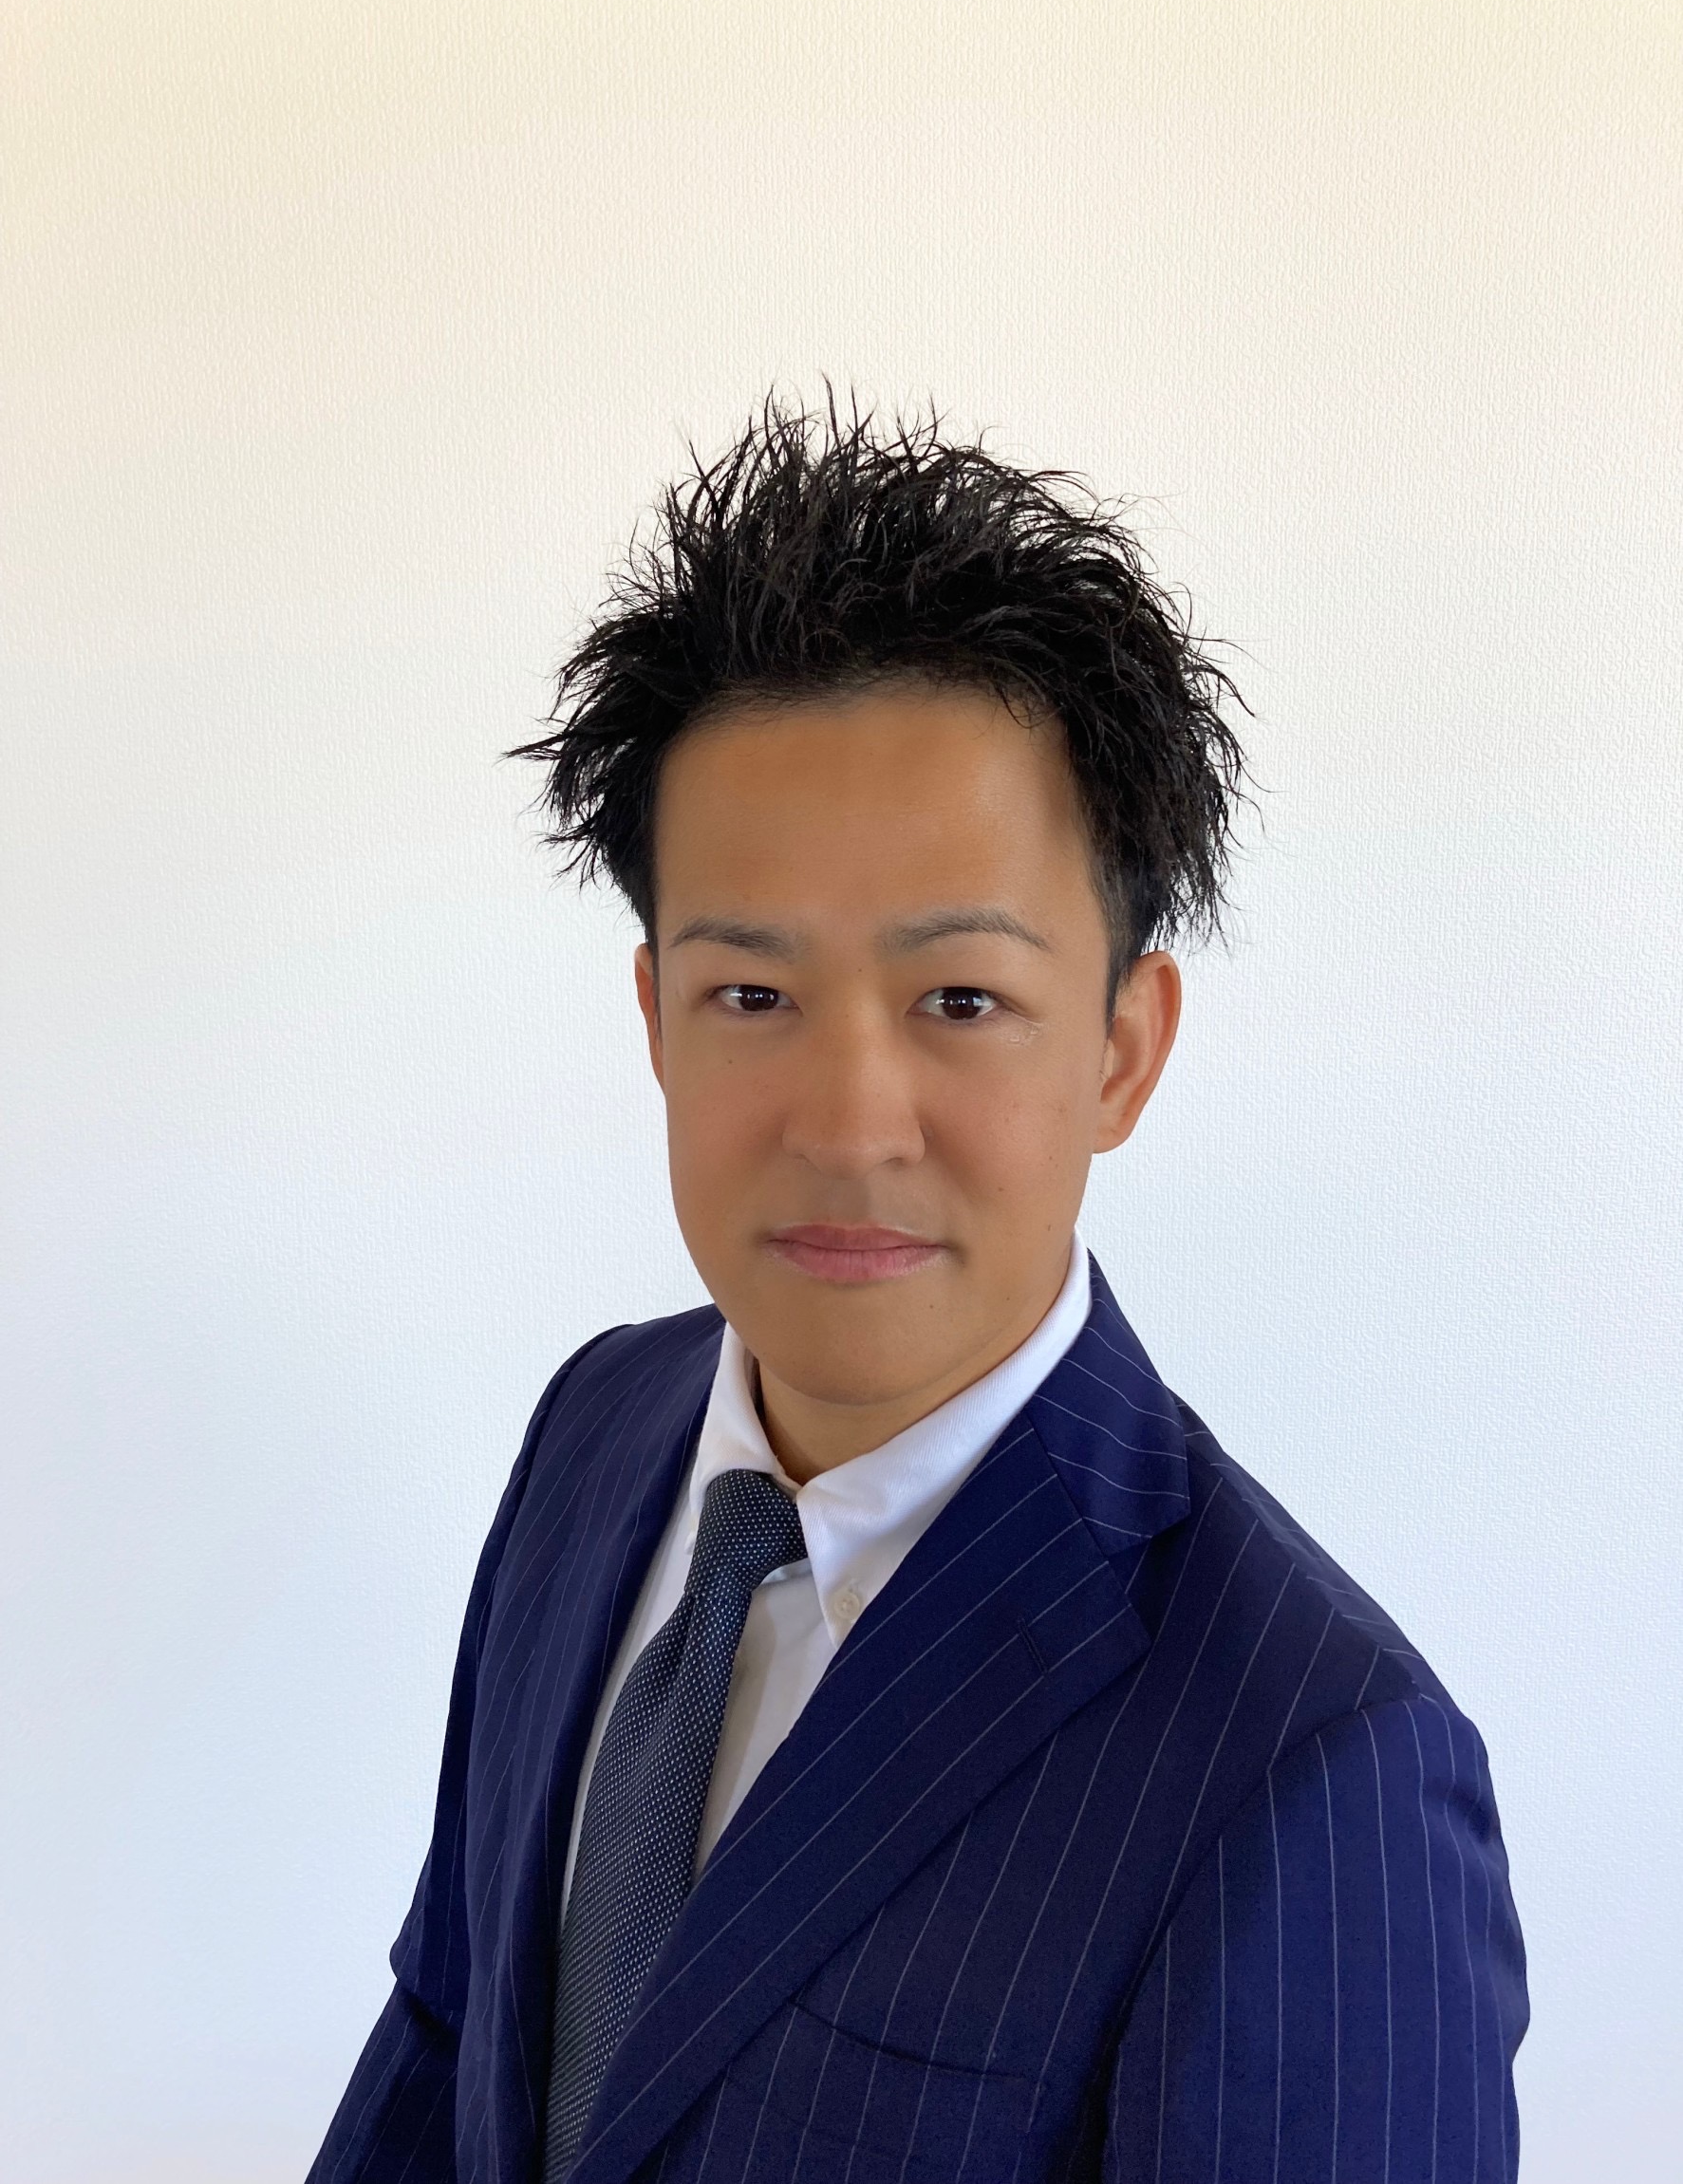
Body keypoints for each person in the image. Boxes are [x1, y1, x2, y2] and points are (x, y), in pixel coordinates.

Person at [309, 399, 1527, 2183]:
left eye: (959, 1000)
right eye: (750, 997)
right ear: (653, 1021)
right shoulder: (597, 1427)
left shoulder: (1311, 1766)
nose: (847, 1123)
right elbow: (446, 2037)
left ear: (1119, 1048)